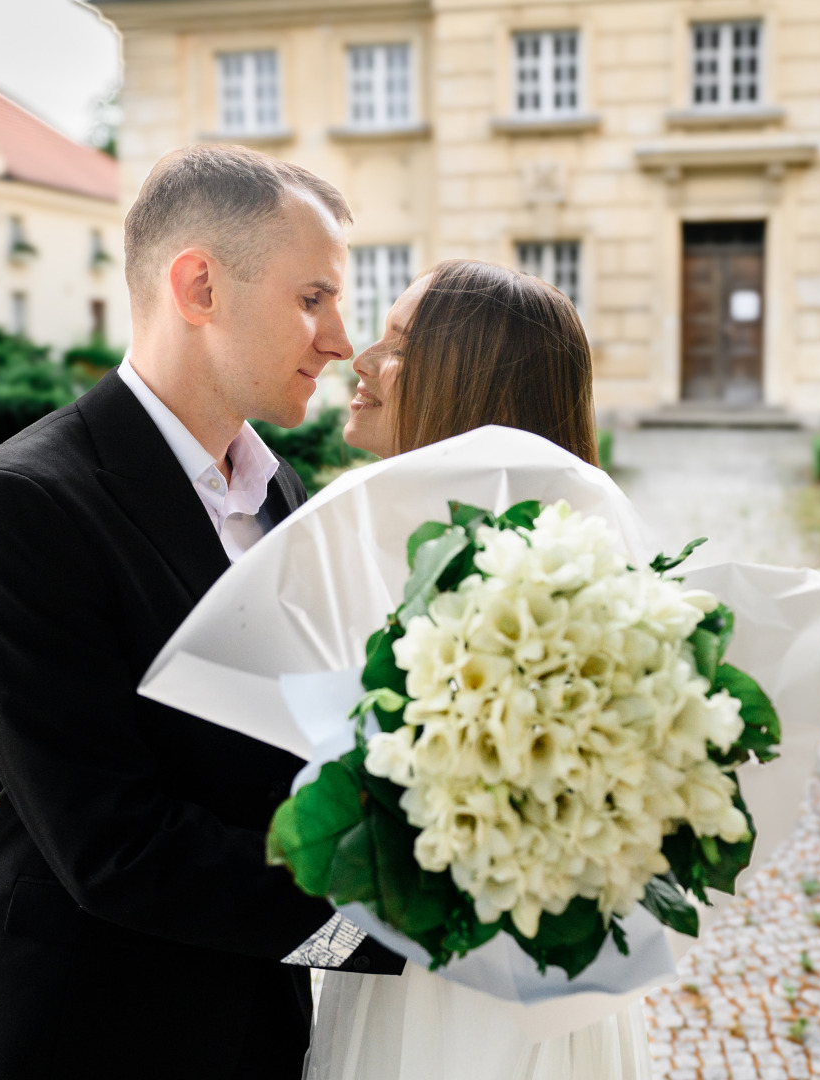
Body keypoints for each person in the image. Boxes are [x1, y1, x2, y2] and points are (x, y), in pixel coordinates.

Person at [0, 145, 403, 1080]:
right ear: (198, 287)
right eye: (312, 298)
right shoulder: (26, 506)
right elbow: (115, 847)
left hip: (258, 1022)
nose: (339, 339)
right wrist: (394, 923)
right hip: (89, 1028)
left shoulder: (284, 494)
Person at [312, 259, 652, 1080]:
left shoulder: (565, 531)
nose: (360, 359)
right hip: (399, 943)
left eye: (395, 344)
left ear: (468, 375)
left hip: (483, 971)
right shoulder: (368, 517)